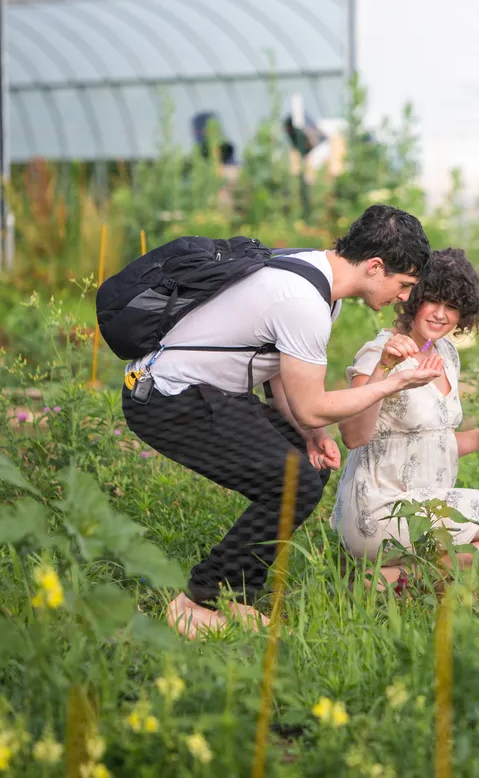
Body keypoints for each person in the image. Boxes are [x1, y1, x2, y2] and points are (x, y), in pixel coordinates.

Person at [122, 204, 442, 639]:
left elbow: (278, 378)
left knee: (307, 466)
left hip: (202, 392)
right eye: (403, 285)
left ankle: (232, 594)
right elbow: (311, 404)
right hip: (164, 399)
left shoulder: (316, 279)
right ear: (375, 266)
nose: (404, 298)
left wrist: (311, 436)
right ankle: (198, 601)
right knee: (294, 480)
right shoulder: (303, 303)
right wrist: (392, 384)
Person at [332, 248, 479, 598]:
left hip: (425, 504)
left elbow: (425, 444)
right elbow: (353, 435)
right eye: (433, 301)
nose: (442, 315)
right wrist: (385, 370)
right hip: (382, 510)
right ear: (412, 298)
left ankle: (396, 579)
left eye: (453, 306)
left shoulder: (445, 352)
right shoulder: (379, 353)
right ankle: (392, 579)